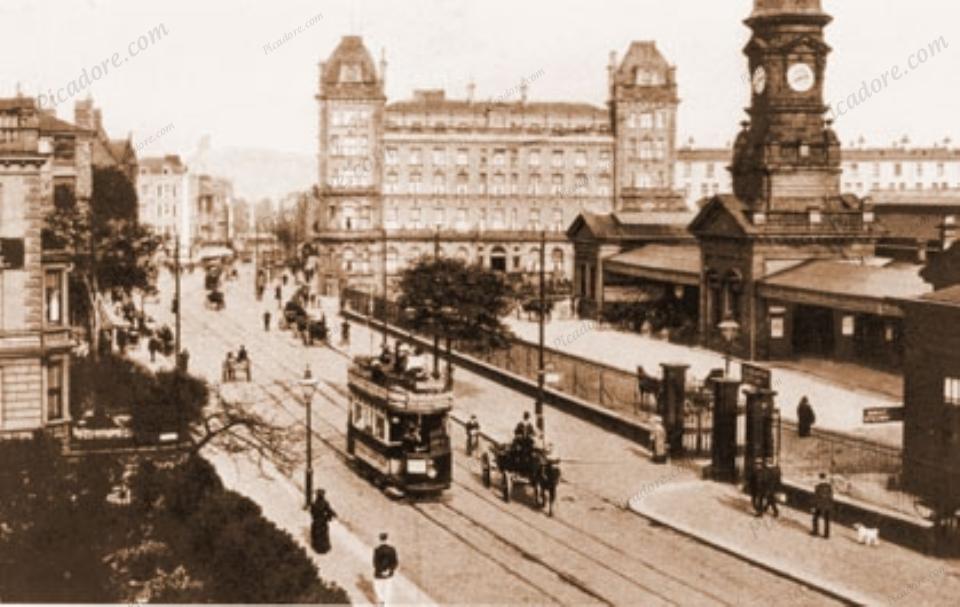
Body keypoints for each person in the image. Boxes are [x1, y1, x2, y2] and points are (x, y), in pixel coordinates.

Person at [372, 532, 398, 607]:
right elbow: (395, 562)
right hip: (389, 574)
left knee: (377, 588)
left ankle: (381, 600)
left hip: (379, 574)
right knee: (388, 590)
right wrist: (389, 570)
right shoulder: (392, 549)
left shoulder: (377, 550)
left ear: (380, 540)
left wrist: (382, 571)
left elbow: (375, 563)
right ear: (387, 539)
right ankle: (386, 604)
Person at [309, 489, 336, 554]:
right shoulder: (325, 503)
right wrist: (329, 517)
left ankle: (317, 547)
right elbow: (329, 511)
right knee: (323, 534)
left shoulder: (314, 503)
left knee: (317, 534)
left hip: (316, 521)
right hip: (323, 521)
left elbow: (312, 513)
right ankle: (324, 548)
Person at [812, 472, 833, 538]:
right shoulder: (829, 486)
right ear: (825, 478)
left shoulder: (817, 487)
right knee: (827, 520)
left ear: (820, 478)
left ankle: (815, 532)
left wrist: (814, 506)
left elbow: (816, 498)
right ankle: (826, 535)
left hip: (819, 506)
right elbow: (831, 497)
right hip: (827, 505)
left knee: (815, 518)